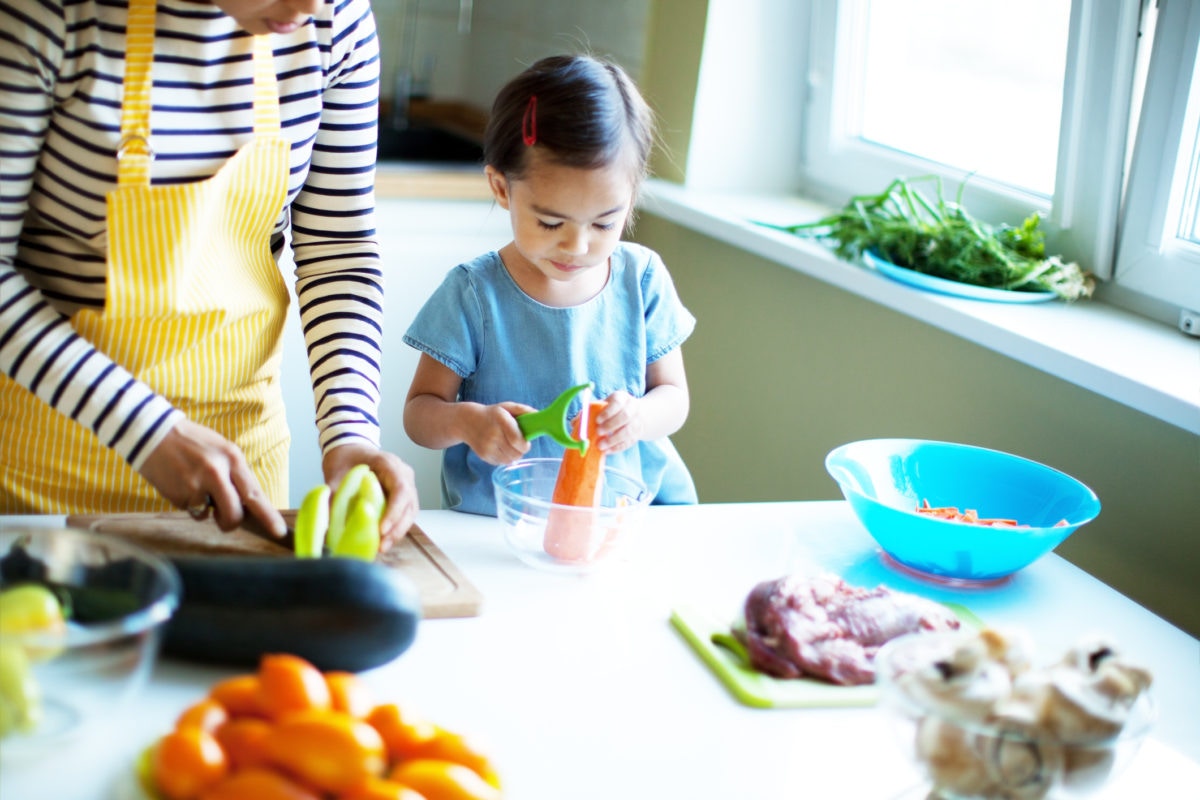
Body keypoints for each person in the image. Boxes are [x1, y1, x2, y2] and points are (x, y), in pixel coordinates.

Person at [0, 0, 418, 548]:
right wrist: (145, 428)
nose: (313, 3)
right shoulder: (51, 14)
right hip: (53, 467)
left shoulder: (336, 21)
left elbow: (338, 247)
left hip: (242, 471)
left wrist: (351, 430)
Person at [402, 54, 698, 515]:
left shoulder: (642, 279)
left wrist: (639, 418)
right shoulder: (473, 294)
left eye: (603, 223)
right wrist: (467, 421)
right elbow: (420, 414)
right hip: (499, 526)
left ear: (631, 196)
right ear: (502, 189)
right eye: (550, 221)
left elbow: (674, 399)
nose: (577, 246)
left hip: (621, 519)